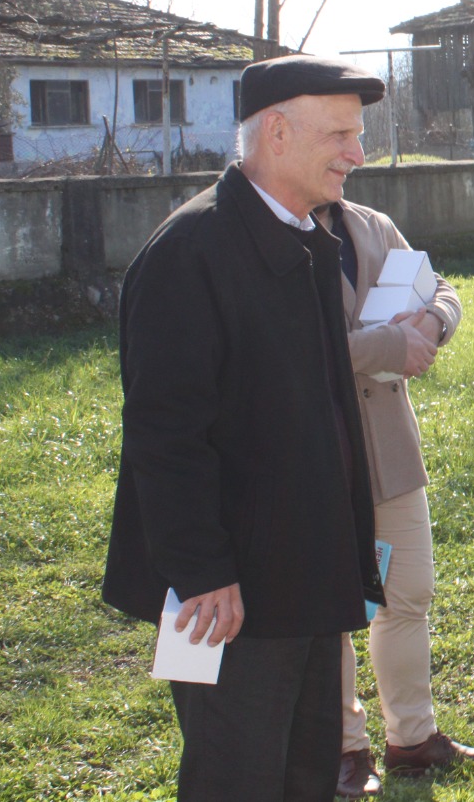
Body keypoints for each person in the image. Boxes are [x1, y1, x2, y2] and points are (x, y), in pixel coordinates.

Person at [102, 55, 388, 801]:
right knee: (234, 779)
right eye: (341, 135)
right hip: (226, 603)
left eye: (358, 135)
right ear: (279, 133)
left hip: (305, 583)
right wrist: (200, 573)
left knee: (302, 776)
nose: (357, 154)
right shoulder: (189, 253)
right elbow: (164, 437)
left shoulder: (305, 238)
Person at [311, 198, 474, 795]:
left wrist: (437, 320)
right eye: (340, 136)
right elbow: (287, 350)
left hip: (390, 452)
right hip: (318, 457)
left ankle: (412, 739)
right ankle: (343, 749)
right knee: (331, 609)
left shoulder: (370, 224)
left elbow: (436, 284)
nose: (353, 152)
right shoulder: (273, 231)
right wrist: (388, 346)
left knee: (408, 592)